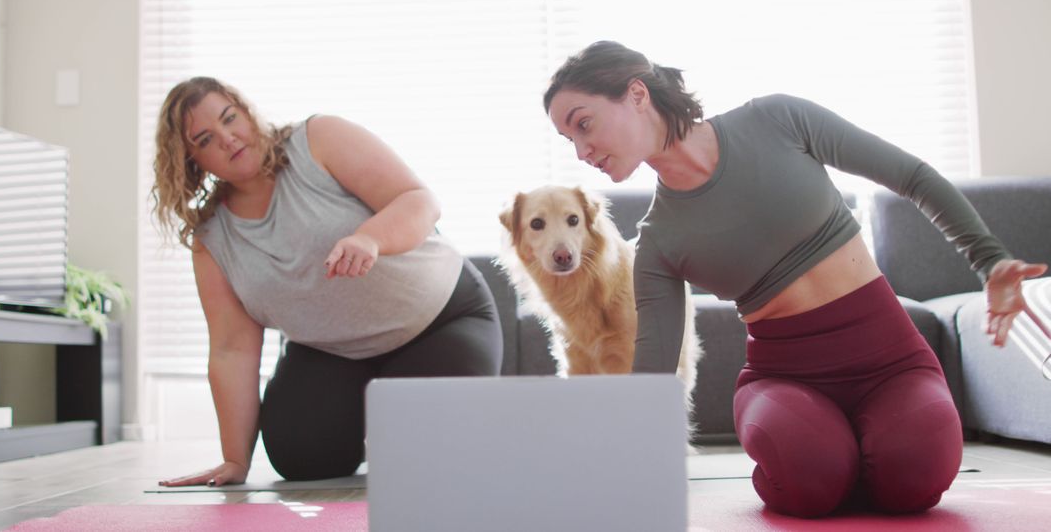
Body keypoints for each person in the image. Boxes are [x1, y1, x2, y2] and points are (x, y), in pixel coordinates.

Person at [543, 41, 1048, 518]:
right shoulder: (656, 243)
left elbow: (912, 177)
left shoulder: (776, 119)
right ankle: (835, 458)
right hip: (786, 382)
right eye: (570, 140)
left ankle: (863, 455)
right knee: (812, 481)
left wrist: (991, 261)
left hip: (893, 363)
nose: (582, 150)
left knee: (914, 478)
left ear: (636, 93)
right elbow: (652, 378)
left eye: (584, 125)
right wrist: (602, 463)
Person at [151, 77, 502, 486]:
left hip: (441, 319)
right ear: (192, 162)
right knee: (300, 458)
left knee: (425, 455)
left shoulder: (317, 139)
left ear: (246, 111)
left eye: (230, 118)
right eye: (206, 139)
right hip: (332, 351)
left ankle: (392, 425)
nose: (228, 139)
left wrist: (370, 237)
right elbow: (232, 350)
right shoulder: (212, 238)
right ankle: (375, 419)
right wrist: (234, 461)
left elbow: (418, 201)